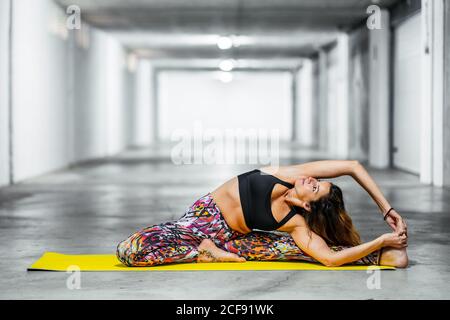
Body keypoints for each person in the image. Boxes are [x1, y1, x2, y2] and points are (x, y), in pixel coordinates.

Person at [116, 160, 408, 268]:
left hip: (233, 241)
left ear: (308, 205)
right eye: (317, 179)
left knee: (300, 248)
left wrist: (381, 242)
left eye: (316, 187)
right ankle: (203, 251)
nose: (311, 179)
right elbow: (353, 166)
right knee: (130, 250)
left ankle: (383, 256)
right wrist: (387, 209)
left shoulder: (294, 222)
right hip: (199, 224)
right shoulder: (287, 175)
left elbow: (329, 260)